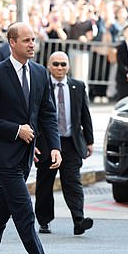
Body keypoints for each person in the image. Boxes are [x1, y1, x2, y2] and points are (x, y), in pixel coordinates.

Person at [0, 22, 74, 254]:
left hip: (25, 156)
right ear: (12, 43)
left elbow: (46, 114)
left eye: (34, 40)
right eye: (27, 40)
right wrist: (16, 130)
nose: (32, 44)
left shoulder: (40, 73)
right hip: (4, 156)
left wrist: (54, 145)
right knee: (24, 214)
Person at [35, 51, 94, 235]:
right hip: (47, 143)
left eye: (63, 64)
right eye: (56, 64)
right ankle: (44, 221)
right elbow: (34, 116)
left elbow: (85, 114)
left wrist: (90, 141)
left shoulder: (78, 86)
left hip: (71, 143)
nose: (59, 68)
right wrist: (34, 143)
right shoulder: (42, 86)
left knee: (73, 182)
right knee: (45, 183)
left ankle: (79, 220)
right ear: (49, 66)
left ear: (68, 66)